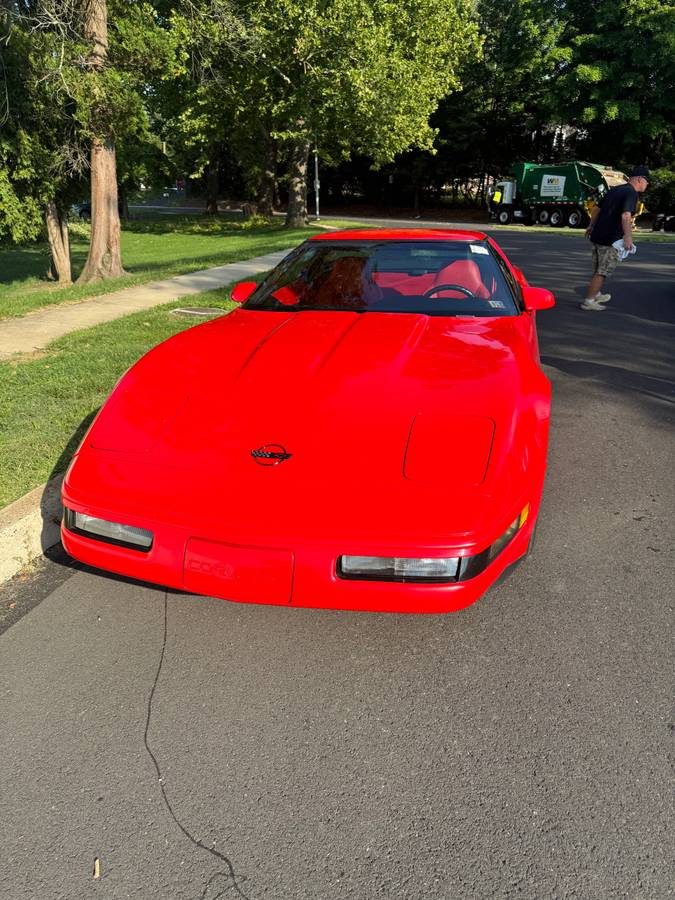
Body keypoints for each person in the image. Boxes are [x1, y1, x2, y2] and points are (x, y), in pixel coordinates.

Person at [580, 165, 650, 310]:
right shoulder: (631, 193)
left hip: (597, 235)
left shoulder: (616, 190)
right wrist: (628, 237)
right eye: (646, 180)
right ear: (639, 179)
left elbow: (596, 209)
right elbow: (626, 215)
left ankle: (596, 293)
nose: (647, 184)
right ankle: (589, 302)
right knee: (602, 272)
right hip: (610, 239)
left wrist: (591, 226)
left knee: (597, 269)